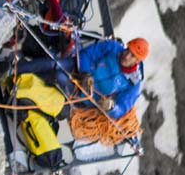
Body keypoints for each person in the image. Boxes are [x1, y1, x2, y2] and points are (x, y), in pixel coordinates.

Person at [11, 37, 149, 120]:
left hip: (85, 96)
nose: (126, 56)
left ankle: (20, 83)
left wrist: (110, 107)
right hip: (77, 70)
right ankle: (14, 71)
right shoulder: (113, 48)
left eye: (132, 56)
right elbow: (87, 54)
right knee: (53, 63)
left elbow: (122, 108)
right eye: (128, 51)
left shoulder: (133, 84)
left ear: (137, 61)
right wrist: (85, 72)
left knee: (58, 76)